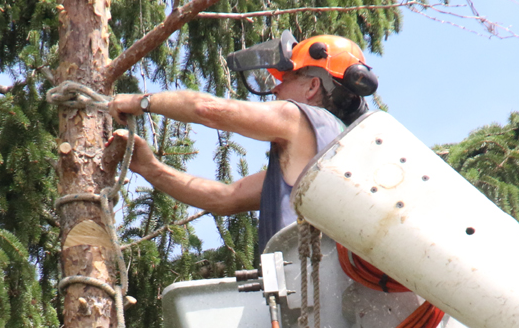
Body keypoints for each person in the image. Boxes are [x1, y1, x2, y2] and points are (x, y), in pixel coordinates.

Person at [107, 32, 378, 249]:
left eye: (288, 77)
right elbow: (227, 198)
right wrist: (148, 167)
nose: (276, 87)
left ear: (312, 86)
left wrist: (138, 101)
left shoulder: (299, 117)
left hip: (303, 286)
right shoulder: (332, 148)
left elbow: (208, 110)